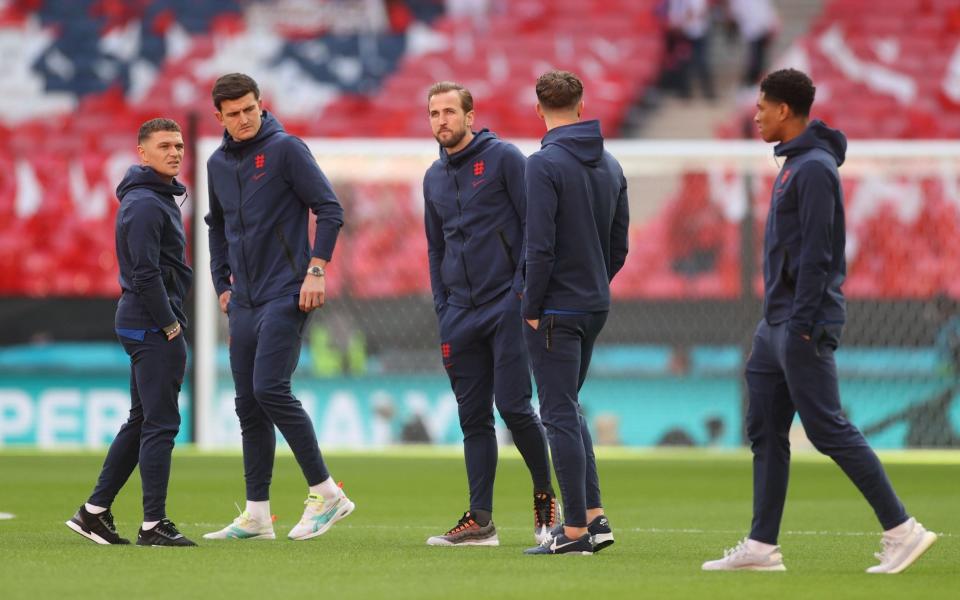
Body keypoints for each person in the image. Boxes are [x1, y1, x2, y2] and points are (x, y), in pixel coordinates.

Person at [702, 69, 937, 573]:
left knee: (827, 428)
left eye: (763, 106)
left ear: (784, 110)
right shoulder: (794, 164)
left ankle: (903, 529)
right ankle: (762, 547)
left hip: (801, 321)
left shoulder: (811, 168)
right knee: (764, 429)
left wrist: (803, 322)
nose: (757, 115)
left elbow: (818, 252)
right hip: (777, 322)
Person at [202, 73, 353, 541]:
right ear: (220, 117)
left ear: (261, 104)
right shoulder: (216, 164)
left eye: (250, 108)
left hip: (288, 291)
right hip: (243, 298)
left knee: (269, 388)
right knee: (248, 403)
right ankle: (257, 514)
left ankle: (328, 493)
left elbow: (329, 209)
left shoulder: (287, 149)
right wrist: (220, 282)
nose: (244, 119)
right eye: (234, 113)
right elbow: (215, 225)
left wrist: (316, 268)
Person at [422, 81, 559, 546]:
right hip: (458, 312)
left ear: (469, 115)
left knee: (515, 407)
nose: (441, 120)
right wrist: (443, 305)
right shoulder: (433, 178)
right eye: (434, 113)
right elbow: (435, 245)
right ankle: (480, 520)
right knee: (472, 418)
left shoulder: (504, 159)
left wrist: (522, 294)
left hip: (506, 304)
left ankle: (545, 497)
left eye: (448, 111)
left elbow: (533, 228)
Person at [66, 118, 196, 547]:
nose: (175, 152)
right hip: (151, 323)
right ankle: (153, 524)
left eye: (178, 145)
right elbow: (145, 272)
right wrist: (170, 323)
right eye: (164, 146)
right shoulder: (145, 204)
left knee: (142, 420)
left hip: (144, 321)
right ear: (142, 153)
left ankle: (93, 512)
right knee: (161, 423)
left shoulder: (154, 198)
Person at [521, 70, 630, 555]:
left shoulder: (541, 165)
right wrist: (594, 283)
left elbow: (539, 245)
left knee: (558, 412)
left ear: (539, 108)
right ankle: (594, 518)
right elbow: (619, 244)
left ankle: (571, 533)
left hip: (556, 309)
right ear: (582, 105)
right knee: (570, 407)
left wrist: (531, 305)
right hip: (593, 304)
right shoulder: (611, 165)